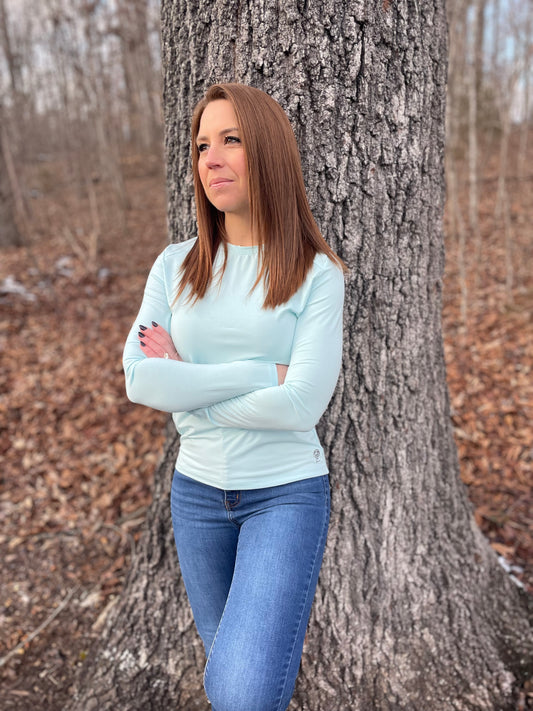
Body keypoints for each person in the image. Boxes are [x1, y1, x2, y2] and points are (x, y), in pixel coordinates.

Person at [122, 82, 345, 711]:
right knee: (230, 687)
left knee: (242, 690)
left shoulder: (315, 274)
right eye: (201, 146)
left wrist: (186, 382)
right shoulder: (175, 265)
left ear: (268, 153)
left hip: (283, 497)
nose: (210, 159)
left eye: (231, 140)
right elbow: (141, 378)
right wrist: (260, 372)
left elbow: (302, 405)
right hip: (195, 495)